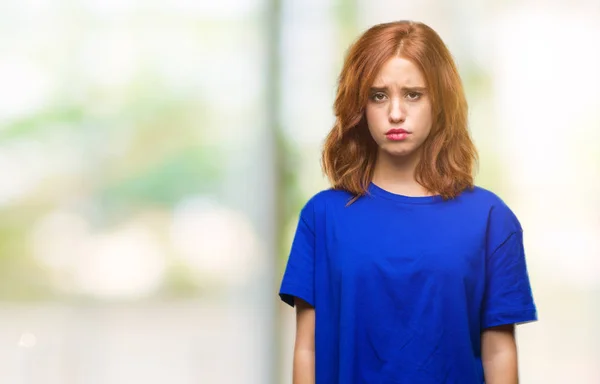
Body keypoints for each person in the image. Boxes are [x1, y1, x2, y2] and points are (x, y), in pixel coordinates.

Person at [278, 20, 537, 384]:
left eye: (413, 94)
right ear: (359, 105)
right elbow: (308, 348)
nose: (395, 113)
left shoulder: (490, 219)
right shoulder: (323, 217)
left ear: (440, 102)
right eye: (378, 95)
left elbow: (499, 352)